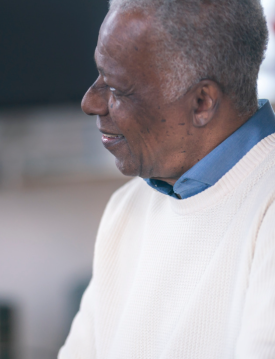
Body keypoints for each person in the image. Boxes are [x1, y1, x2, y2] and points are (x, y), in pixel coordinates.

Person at [59, 0, 275, 357]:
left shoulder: (266, 207)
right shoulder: (126, 208)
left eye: (117, 89)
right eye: (99, 76)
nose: (90, 102)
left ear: (202, 103)